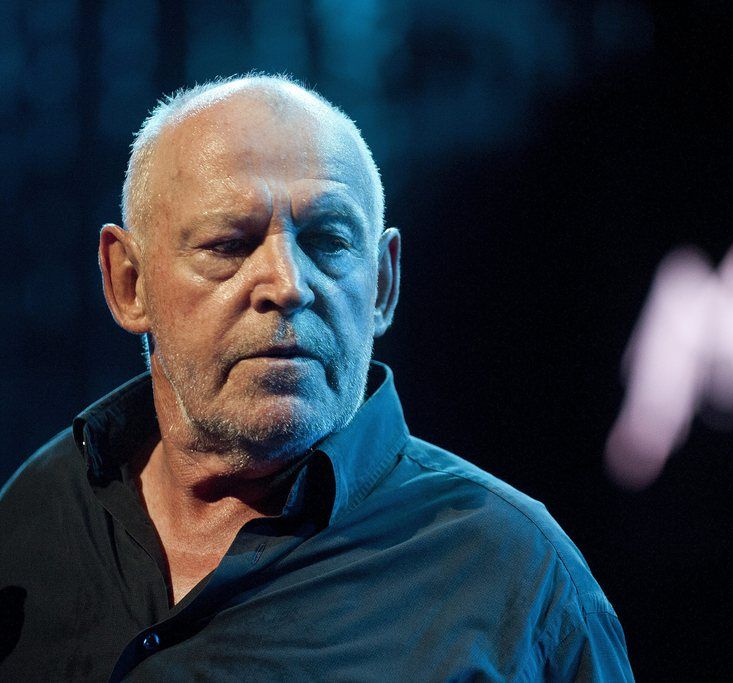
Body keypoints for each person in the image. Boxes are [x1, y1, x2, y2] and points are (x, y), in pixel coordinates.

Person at [0, 75, 632, 681]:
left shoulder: (517, 580)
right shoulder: (33, 518)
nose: (288, 284)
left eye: (328, 241)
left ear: (382, 284)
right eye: (229, 244)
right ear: (128, 283)